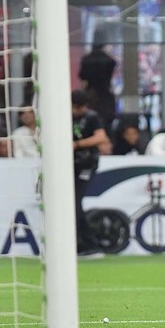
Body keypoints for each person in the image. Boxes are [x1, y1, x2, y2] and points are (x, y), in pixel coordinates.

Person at [71, 90, 109, 255]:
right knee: (71, 204)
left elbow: (101, 137)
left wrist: (77, 145)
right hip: (69, 165)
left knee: (75, 203)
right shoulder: (65, 116)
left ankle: (90, 244)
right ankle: (80, 243)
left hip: (86, 164)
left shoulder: (91, 117)